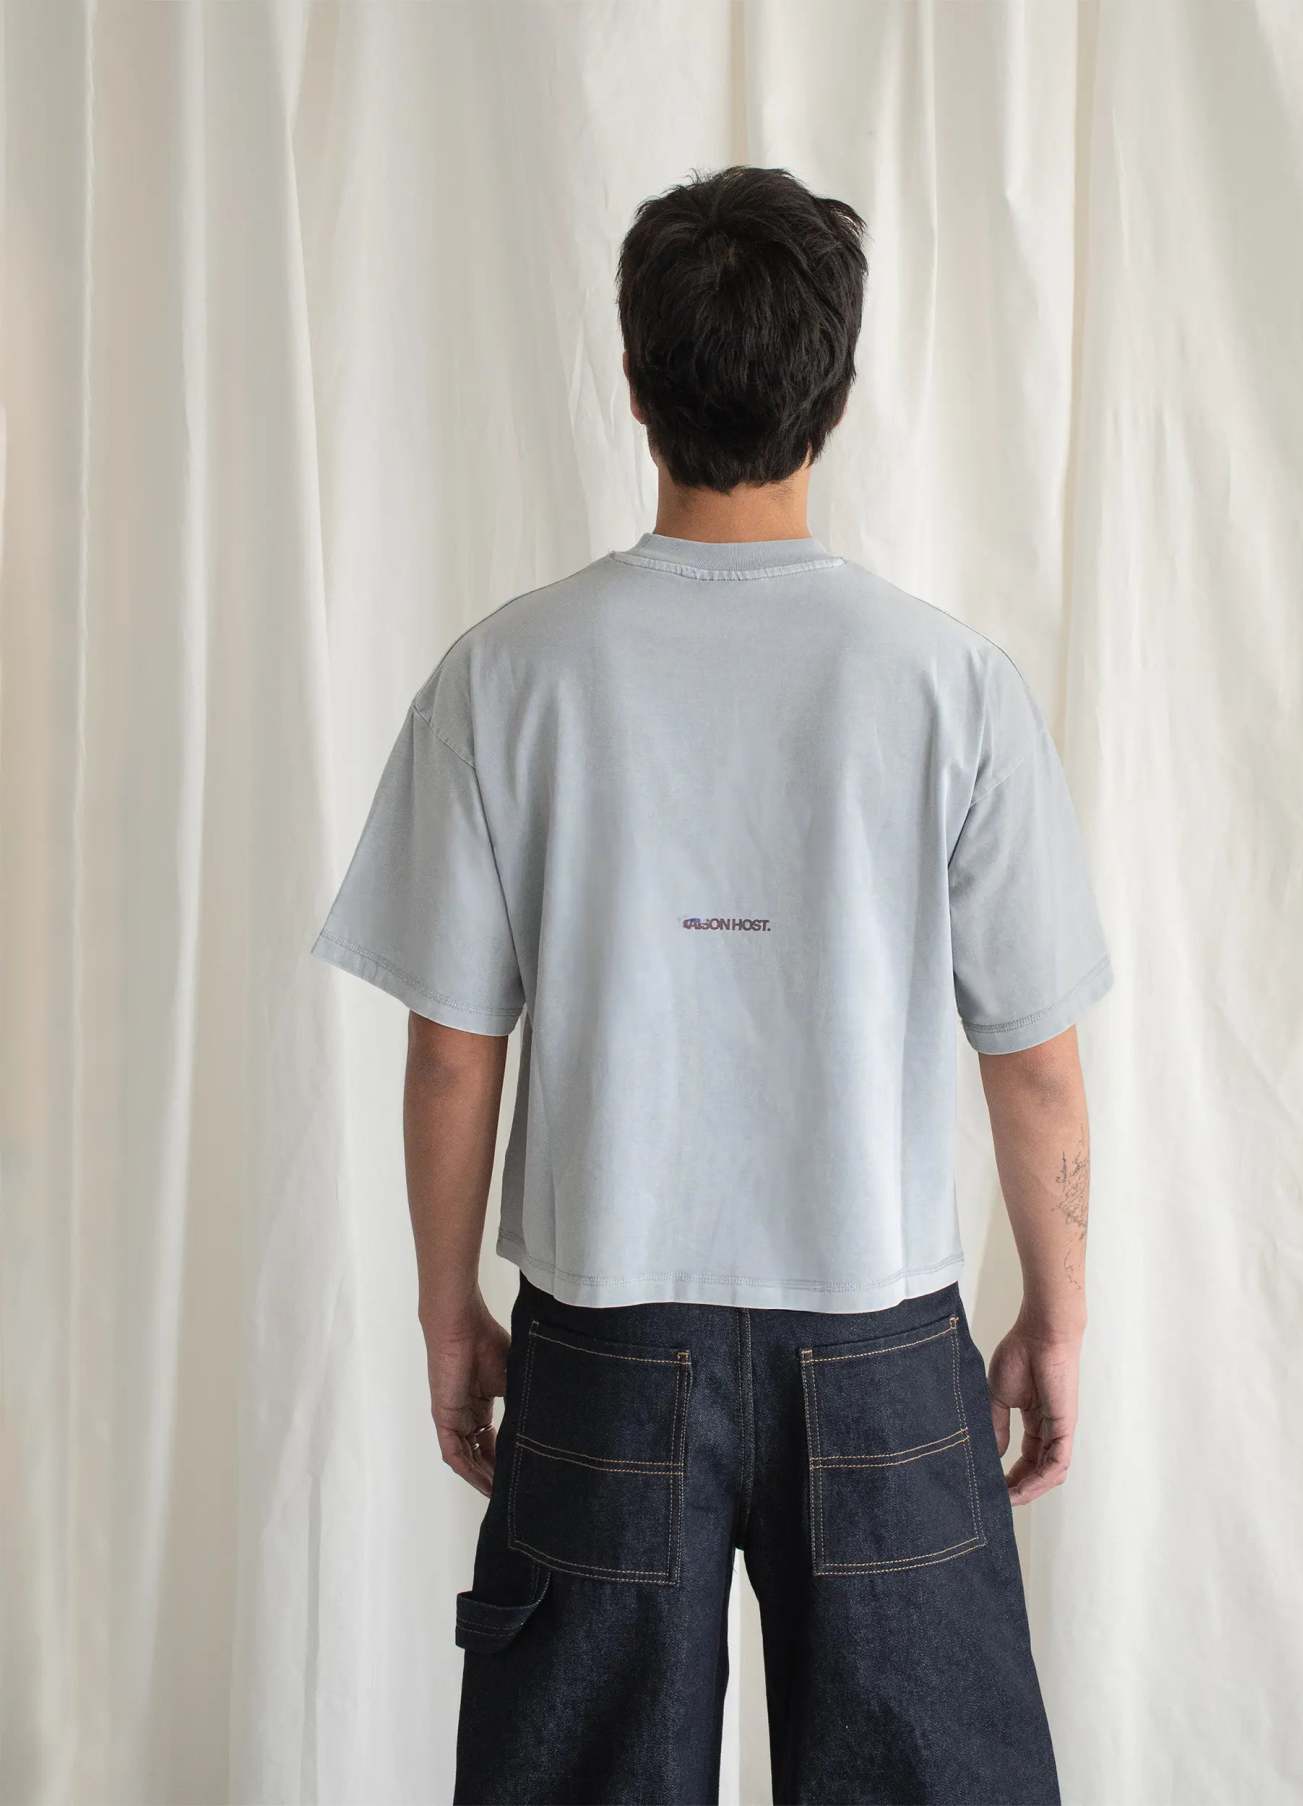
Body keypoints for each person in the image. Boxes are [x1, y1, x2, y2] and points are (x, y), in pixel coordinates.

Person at [310, 164, 1113, 1806]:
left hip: (606, 1336)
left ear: (631, 380)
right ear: (839, 388)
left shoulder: (507, 674)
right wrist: (1057, 1312)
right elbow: (1033, 1059)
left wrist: (446, 1307)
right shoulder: (950, 686)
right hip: (882, 1338)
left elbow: (454, 1050)